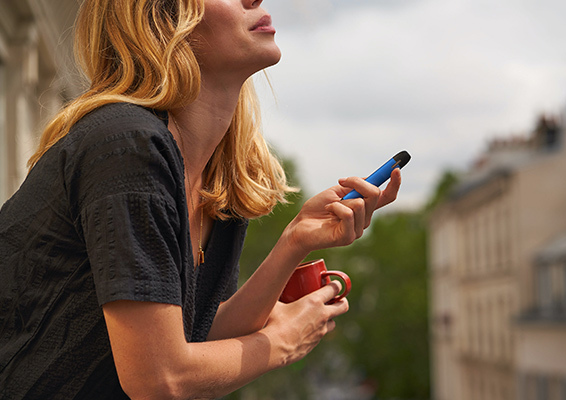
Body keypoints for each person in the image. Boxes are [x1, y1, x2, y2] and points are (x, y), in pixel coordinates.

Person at [0, 0, 402, 398]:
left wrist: (296, 239)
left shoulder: (218, 178)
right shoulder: (127, 146)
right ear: (161, 15)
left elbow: (197, 336)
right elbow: (160, 378)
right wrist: (281, 341)